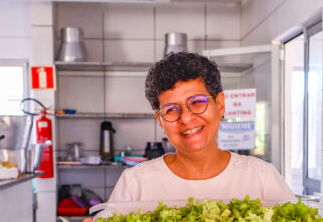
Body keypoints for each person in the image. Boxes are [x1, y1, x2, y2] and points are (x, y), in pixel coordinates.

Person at [108, 52, 295, 203]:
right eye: (171, 109)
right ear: (160, 120)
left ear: (220, 105)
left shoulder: (261, 177)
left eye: (197, 102)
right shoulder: (136, 183)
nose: (186, 118)